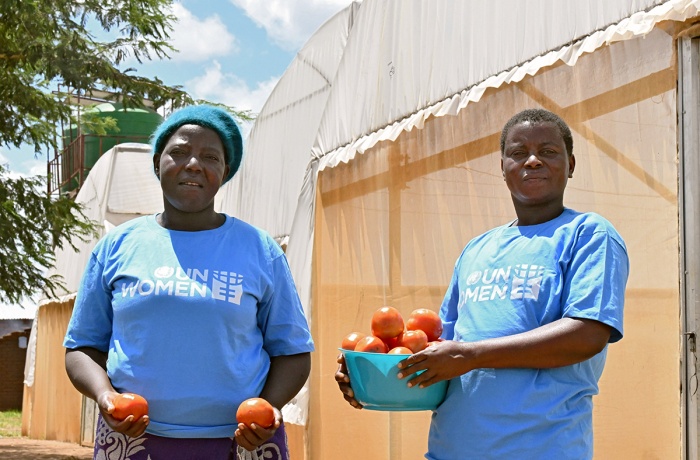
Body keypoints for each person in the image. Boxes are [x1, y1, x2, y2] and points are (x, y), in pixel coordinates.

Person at [335, 108, 629, 459]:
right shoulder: (477, 249)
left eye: (548, 152)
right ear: (502, 168)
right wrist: (373, 378)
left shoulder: (589, 234)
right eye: (518, 153)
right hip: (450, 450)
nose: (533, 161)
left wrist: (470, 355)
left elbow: (587, 335)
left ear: (571, 165)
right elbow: (441, 352)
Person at [64, 105, 314, 460]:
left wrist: (268, 408)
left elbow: (293, 351)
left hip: (242, 443)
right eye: (179, 152)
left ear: (225, 172)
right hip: (133, 439)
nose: (193, 164)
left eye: (210, 156)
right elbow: (82, 347)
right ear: (157, 163)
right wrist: (106, 397)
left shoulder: (259, 249)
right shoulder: (117, 246)